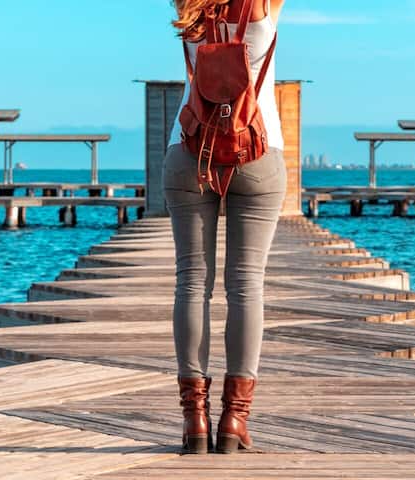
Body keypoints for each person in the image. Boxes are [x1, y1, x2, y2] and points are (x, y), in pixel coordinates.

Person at [165, 0, 286, 455]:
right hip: (258, 148)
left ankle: (194, 420)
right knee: (246, 285)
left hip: (188, 149)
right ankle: (235, 420)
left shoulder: (186, 4)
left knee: (191, 284)